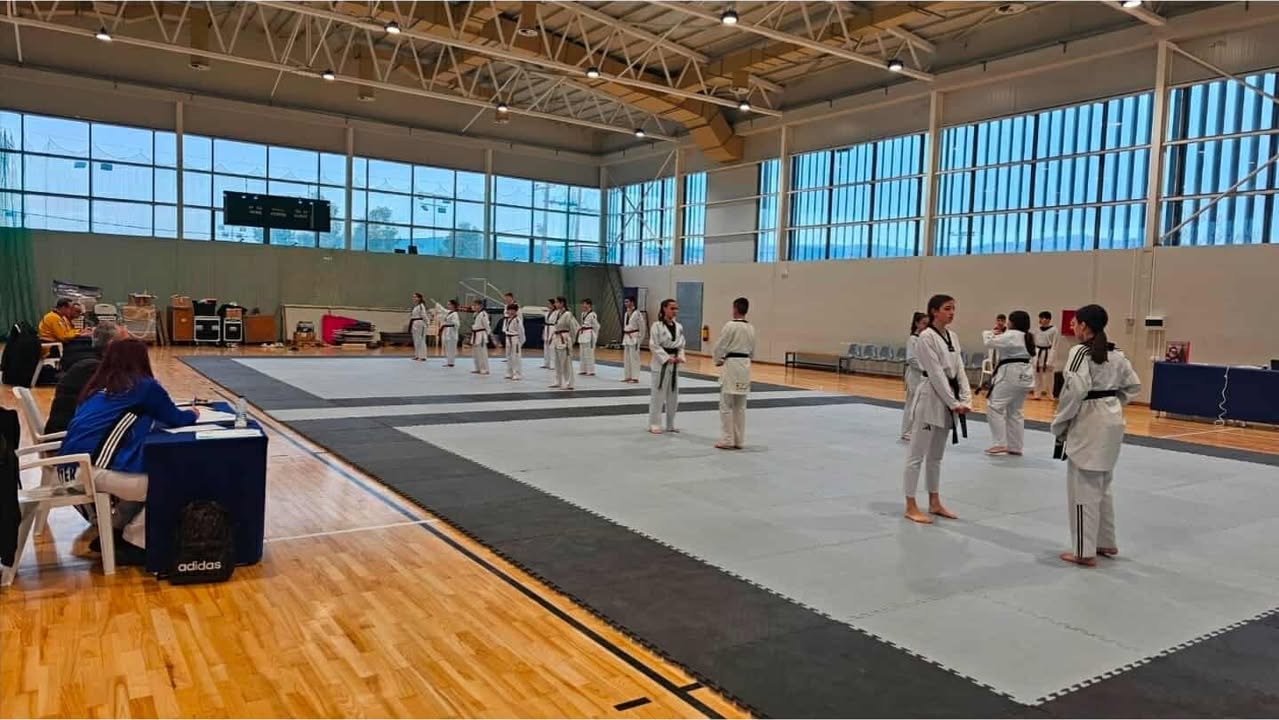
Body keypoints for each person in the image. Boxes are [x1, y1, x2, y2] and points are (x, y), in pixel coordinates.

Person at [57, 339, 200, 565]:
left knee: (140, 478)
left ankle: (114, 532)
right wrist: (193, 413)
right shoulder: (144, 387)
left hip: (69, 467)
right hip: (91, 470)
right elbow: (176, 418)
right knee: (173, 485)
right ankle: (135, 542)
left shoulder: (96, 389)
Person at [1051, 304, 1141, 567]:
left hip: (1089, 420)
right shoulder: (1117, 354)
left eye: (1075, 323)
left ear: (1084, 326)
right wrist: (1111, 402)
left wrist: (1060, 422)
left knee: (1083, 489)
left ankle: (1084, 551)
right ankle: (1105, 541)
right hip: (1112, 419)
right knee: (1102, 484)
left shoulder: (1079, 352)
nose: (1072, 327)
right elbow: (1133, 385)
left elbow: (1075, 390)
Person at [901, 294, 971, 525]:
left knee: (936, 457)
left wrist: (966, 399)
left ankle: (934, 501)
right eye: (947, 308)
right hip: (930, 397)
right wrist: (954, 403)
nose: (952, 313)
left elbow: (959, 369)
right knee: (916, 455)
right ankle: (911, 505)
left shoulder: (953, 336)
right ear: (934, 311)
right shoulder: (926, 337)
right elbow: (936, 373)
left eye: (953, 308)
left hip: (948, 398)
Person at [44, 321, 128, 435]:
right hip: (71, 434)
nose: (132, 348)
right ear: (111, 344)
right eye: (127, 343)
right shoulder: (92, 368)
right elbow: (115, 402)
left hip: (76, 427)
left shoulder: (91, 360)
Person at [981, 310, 1036, 456]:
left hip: (1011, 373)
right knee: (1015, 411)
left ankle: (1000, 443)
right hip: (1025, 375)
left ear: (1012, 322)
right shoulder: (1028, 336)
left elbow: (989, 341)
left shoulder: (1012, 335)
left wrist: (990, 332)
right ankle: (1016, 446)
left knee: (994, 406)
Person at [712, 297, 756, 450]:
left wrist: (718, 359)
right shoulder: (751, 327)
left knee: (726, 404)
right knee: (740, 406)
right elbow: (753, 350)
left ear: (735, 309)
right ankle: (739, 440)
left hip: (731, 366)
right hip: (745, 366)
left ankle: (727, 439)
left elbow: (720, 345)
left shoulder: (730, 326)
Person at [648, 299, 685, 434]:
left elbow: (681, 345)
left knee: (673, 396)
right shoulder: (656, 326)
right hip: (661, 364)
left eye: (676, 309)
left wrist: (680, 356)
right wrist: (666, 358)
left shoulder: (679, 327)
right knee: (658, 395)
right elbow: (654, 345)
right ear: (664, 309)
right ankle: (654, 424)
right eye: (672, 308)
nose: (675, 311)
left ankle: (670, 424)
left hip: (674, 363)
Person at [901, 312, 929, 441]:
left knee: (922, 404)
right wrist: (926, 367)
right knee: (912, 403)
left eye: (927, 324)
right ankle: (907, 431)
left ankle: (919, 429)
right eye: (923, 323)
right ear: (917, 323)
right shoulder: (913, 339)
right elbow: (911, 359)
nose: (926, 326)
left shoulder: (925, 339)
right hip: (914, 375)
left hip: (924, 377)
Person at [550, 297, 579, 389]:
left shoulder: (568, 314)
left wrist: (571, 340)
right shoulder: (557, 313)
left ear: (562, 303)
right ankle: (558, 381)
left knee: (566, 362)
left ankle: (569, 383)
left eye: (557, 302)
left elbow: (574, 328)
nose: (555, 304)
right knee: (557, 362)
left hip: (564, 338)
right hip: (557, 338)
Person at [1031, 311, 1059, 400]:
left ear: (1048, 320)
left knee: (1049, 376)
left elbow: (1055, 345)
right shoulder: (1036, 330)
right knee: (1037, 375)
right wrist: (1033, 356)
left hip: (1048, 352)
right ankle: (1037, 394)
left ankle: (1050, 394)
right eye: (1041, 318)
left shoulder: (1054, 330)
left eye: (1044, 318)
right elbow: (1033, 343)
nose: (1042, 320)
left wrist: (1051, 359)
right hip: (1038, 353)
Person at [621, 297, 644, 384]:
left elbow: (642, 327)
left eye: (627, 302)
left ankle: (635, 378)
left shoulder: (637, 313)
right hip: (627, 337)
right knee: (626, 358)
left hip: (634, 337)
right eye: (625, 302)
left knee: (634, 358)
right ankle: (627, 376)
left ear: (632, 302)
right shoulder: (626, 313)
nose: (625, 303)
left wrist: (640, 339)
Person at [502, 303, 525, 380]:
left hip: (515, 338)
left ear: (516, 311)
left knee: (516, 357)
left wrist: (520, 342)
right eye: (509, 310)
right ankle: (509, 372)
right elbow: (505, 329)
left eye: (513, 310)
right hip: (508, 337)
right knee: (508, 356)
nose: (511, 312)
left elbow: (521, 332)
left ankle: (517, 373)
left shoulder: (517, 320)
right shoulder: (506, 319)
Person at [577, 299, 600, 376]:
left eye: (585, 304)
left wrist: (594, 335)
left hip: (589, 334)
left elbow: (596, 326)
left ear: (589, 305)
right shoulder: (582, 314)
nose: (583, 306)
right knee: (582, 353)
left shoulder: (592, 314)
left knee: (589, 353)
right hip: (583, 334)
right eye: (582, 304)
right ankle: (583, 369)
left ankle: (590, 370)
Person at [469, 300, 491, 375]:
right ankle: (477, 368)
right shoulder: (475, 314)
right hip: (475, 334)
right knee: (475, 353)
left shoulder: (483, 314)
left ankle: (484, 369)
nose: (474, 307)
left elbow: (487, 325)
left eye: (476, 305)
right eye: (474, 305)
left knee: (482, 353)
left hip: (481, 335)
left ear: (481, 306)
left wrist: (488, 334)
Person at [440, 300, 460, 367]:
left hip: (452, 333)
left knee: (451, 348)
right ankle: (449, 362)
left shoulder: (455, 314)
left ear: (453, 305)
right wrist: (438, 306)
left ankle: (451, 362)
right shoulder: (449, 312)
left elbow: (457, 324)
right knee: (447, 348)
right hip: (447, 331)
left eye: (449, 304)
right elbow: (444, 310)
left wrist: (449, 324)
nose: (447, 305)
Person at [409, 292, 429, 362]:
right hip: (415, 323)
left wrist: (427, 322)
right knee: (416, 340)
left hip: (420, 323)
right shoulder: (416, 307)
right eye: (413, 297)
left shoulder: (421, 306)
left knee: (421, 339)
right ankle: (417, 355)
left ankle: (423, 356)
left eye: (415, 297)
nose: (413, 298)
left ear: (419, 298)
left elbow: (424, 315)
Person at [542, 298, 560, 370]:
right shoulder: (547, 312)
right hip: (547, 328)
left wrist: (555, 331)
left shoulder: (557, 312)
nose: (548, 305)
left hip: (553, 328)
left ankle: (553, 364)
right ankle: (546, 363)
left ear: (553, 304)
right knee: (545, 346)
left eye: (549, 304)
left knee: (552, 347)